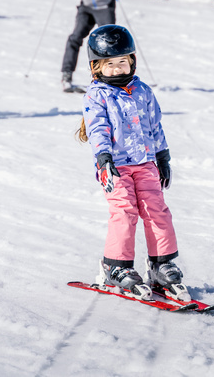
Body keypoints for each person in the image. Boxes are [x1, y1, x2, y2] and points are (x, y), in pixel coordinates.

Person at [77, 25, 185, 301]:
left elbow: (154, 125)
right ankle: (116, 266)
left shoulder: (142, 91)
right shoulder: (96, 95)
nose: (117, 68)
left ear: (132, 61)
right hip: (114, 167)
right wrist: (103, 157)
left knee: (156, 210)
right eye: (110, 64)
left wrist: (162, 156)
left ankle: (162, 265)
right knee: (125, 211)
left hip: (146, 163)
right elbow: (97, 128)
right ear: (96, 66)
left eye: (123, 62)